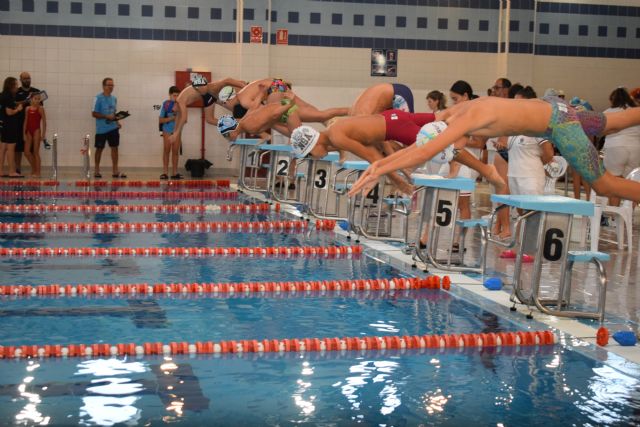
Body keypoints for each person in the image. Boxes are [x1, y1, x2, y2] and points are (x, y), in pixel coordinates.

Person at [348, 96, 640, 206]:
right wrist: (380, 166)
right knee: (611, 121)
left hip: (559, 124)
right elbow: (420, 146)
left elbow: (424, 151)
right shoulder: (453, 113)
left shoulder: (464, 120)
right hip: (556, 107)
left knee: (603, 185)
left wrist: (381, 168)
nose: (453, 148)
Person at [290, 109, 506, 196]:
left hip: (395, 127)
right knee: (446, 119)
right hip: (393, 118)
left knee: (441, 144)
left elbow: (375, 160)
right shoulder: (333, 134)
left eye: (308, 155)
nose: (312, 159)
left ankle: (484, 169)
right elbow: (377, 146)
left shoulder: (337, 137)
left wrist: (398, 182)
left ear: (313, 145)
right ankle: (489, 124)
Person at [222, 78, 349, 121]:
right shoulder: (243, 91)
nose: (227, 105)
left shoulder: (244, 102)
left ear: (228, 100)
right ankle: (344, 113)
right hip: (278, 83)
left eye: (225, 103)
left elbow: (260, 110)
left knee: (277, 115)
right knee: (306, 107)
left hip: (273, 87)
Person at [169, 75, 247, 145]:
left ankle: (244, 88)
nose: (174, 111)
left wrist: (176, 134)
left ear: (173, 105)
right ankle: (237, 122)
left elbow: (184, 119)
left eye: (173, 110)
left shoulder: (180, 101)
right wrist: (174, 132)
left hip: (207, 93)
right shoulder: (179, 106)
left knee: (233, 104)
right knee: (210, 119)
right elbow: (178, 120)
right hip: (206, 95)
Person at [602, 87, 640, 206]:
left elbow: (601, 131)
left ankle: (614, 217)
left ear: (612, 99)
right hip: (635, 148)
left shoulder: (607, 112)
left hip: (615, 147)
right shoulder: (636, 111)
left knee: (614, 183)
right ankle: (627, 216)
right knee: (633, 183)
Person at [92, 77, 125, 178]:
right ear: (103, 86)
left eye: (112, 85)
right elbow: (94, 113)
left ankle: (115, 170)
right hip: (101, 129)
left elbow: (113, 113)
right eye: (109, 85)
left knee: (115, 148)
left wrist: (117, 121)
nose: (111, 87)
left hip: (113, 128)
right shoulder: (98, 98)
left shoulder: (114, 98)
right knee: (99, 149)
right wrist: (106, 116)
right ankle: (96, 170)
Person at [14, 72, 40, 174]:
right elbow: (13, 105)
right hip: (18, 123)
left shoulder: (36, 92)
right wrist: (26, 101)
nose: (27, 80)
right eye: (25, 79)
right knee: (18, 148)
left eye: (28, 78)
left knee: (33, 150)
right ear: (20, 80)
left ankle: (35, 169)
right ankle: (17, 168)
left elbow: (40, 107)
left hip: (33, 125)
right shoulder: (17, 92)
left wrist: (33, 102)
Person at [0, 77, 24, 177]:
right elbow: (9, 112)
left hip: (3, 124)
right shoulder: (9, 96)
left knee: (3, 148)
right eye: (16, 84)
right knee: (11, 148)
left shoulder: (2, 95)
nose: (17, 87)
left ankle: (0, 171)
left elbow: (8, 106)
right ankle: (12, 171)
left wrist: (19, 103)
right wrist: (18, 109)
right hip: (10, 125)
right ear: (11, 85)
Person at [159, 86, 181, 180]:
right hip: (167, 130)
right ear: (170, 95)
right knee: (166, 150)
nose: (176, 97)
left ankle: (175, 172)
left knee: (175, 151)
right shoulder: (166, 104)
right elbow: (160, 120)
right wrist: (172, 118)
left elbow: (185, 119)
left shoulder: (180, 104)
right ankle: (165, 172)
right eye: (174, 95)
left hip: (177, 130)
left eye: (177, 95)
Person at [349, 83, 415, 116]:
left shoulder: (361, 116)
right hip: (391, 90)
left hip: (399, 94)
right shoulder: (353, 112)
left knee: (406, 127)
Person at [22, 91, 46, 178]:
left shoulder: (40, 109)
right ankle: (34, 168)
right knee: (26, 152)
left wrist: (43, 134)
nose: (37, 101)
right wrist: (23, 134)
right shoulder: (27, 109)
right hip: (28, 131)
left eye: (39, 99)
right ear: (31, 99)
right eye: (35, 99)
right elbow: (25, 121)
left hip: (36, 131)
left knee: (36, 152)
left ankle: (38, 172)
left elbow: (44, 122)